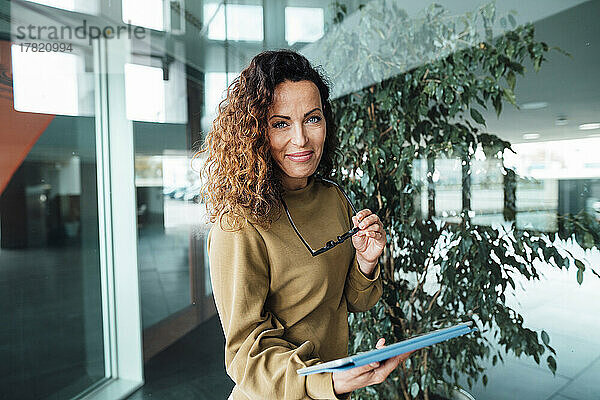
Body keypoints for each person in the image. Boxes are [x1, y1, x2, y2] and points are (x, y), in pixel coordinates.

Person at [198, 49, 412, 400]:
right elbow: (244, 355)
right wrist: (325, 382)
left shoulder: (334, 199)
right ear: (254, 133)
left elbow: (347, 303)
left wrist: (366, 262)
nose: (300, 139)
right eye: (280, 123)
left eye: (312, 119)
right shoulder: (238, 224)